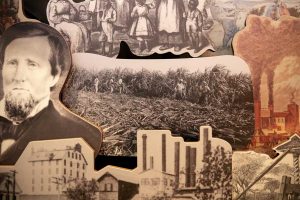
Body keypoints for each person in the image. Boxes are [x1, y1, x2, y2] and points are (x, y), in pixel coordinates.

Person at [0, 22, 102, 165]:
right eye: (12, 63)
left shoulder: (80, 138)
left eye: (32, 65)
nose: (19, 76)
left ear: (54, 76)